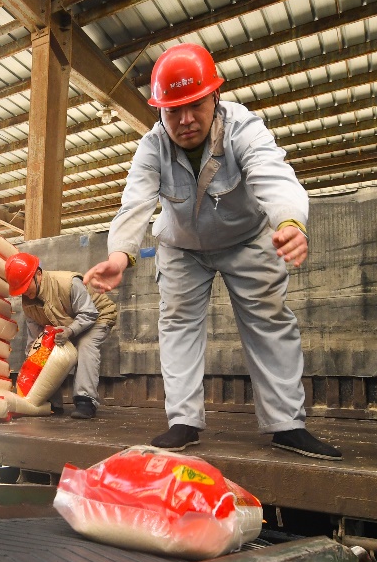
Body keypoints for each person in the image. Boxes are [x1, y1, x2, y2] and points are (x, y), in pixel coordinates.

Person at [83, 43, 342, 460]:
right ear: (159, 111)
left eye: (195, 105)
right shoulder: (152, 147)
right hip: (182, 247)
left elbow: (274, 176)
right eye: (173, 111)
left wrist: (290, 222)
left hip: (247, 239)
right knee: (178, 324)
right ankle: (183, 422)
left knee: (269, 320)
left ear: (215, 97)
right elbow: (135, 203)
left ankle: (287, 425)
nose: (185, 120)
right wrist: (119, 255)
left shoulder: (244, 129)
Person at [6, 253, 117, 419]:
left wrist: (70, 331)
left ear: (38, 274)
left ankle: (85, 401)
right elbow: (35, 340)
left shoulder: (68, 283)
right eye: (21, 290)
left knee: (85, 345)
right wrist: (32, 360)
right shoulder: (28, 302)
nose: (26, 293)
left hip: (97, 316)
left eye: (27, 286)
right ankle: (52, 403)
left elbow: (89, 313)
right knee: (45, 351)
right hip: (67, 323)